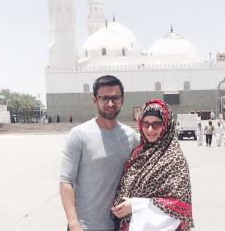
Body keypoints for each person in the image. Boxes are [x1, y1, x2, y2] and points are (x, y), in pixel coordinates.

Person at [59, 75, 140, 231]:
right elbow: (65, 182)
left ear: (122, 100)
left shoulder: (131, 137)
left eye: (115, 98)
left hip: (120, 226)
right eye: (104, 98)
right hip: (85, 226)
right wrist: (73, 223)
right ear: (95, 100)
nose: (110, 103)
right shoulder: (79, 135)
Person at [111, 99, 194, 231]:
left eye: (156, 124)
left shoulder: (174, 158)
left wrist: (135, 206)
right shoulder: (139, 152)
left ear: (166, 125)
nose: (150, 129)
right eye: (146, 124)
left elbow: (180, 206)